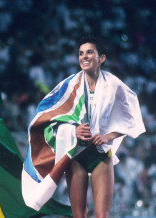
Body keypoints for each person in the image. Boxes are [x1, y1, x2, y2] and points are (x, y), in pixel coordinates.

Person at [21, 36, 145, 217]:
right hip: (76, 155)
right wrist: (73, 131)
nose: (84, 57)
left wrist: (109, 136)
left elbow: (133, 115)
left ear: (101, 58)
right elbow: (45, 117)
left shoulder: (113, 84)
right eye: (80, 53)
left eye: (89, 52)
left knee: (102, 215)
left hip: (101, 154)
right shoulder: (68, 85)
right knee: (80, 215)